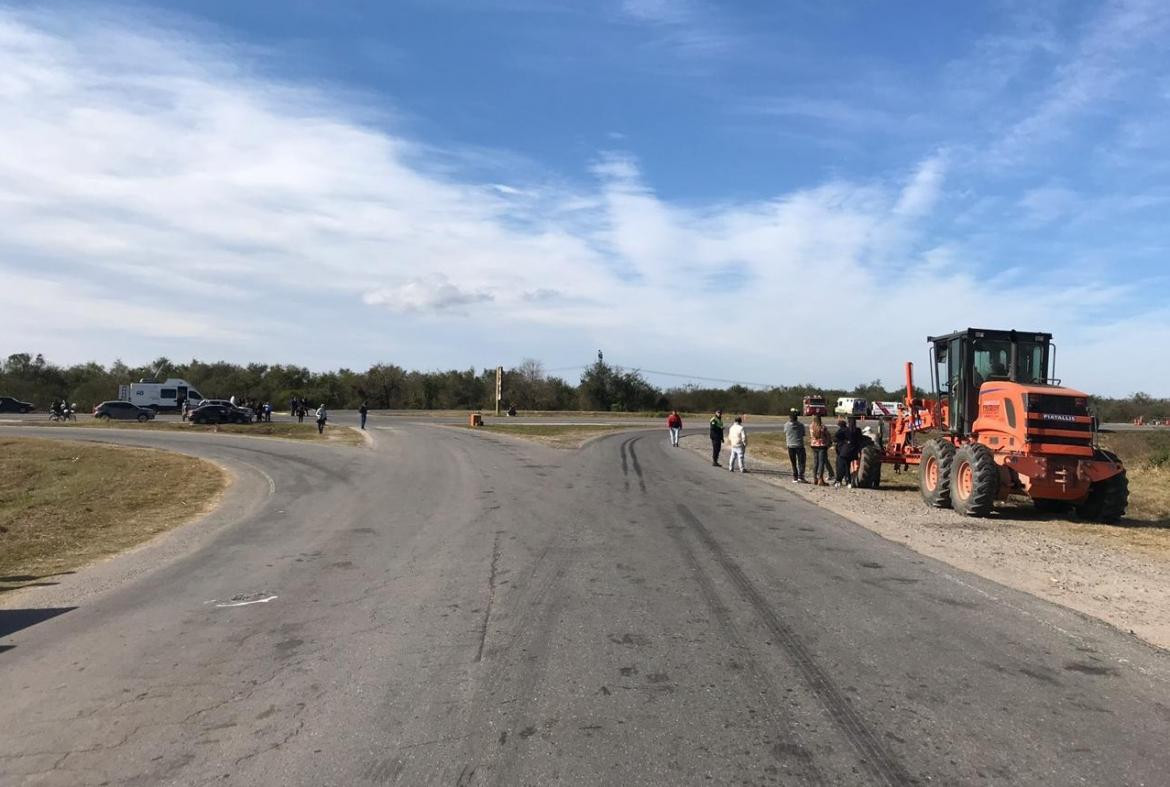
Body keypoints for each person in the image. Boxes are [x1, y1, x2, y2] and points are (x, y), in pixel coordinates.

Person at [833, 416, 862, 488]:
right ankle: (848, 481)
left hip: (845, 451)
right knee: (847, 466)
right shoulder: (858, 430)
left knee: (841, 466)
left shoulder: (845, 430)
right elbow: (860, 439)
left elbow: (836, 435)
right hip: (853, 451)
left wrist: (844, 440)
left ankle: (839, 480)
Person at [783, 409, 807, 483]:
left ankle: (795, 477)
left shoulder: (786, 425)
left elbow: (785, 432)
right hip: (799, 445)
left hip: (790, 445)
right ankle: (801, 476)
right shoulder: (801, 425)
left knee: (793, 462)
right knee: (801, 461)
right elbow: (803, 434)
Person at [809, 414, 833, 485]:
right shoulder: (823, 427)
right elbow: (827, 435)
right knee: (821, 463)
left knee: (815, 462)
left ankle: (814, 478)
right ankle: (820, 479)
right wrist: (829, 443)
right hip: (822, 445)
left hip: (813, 445)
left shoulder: (811, 426)